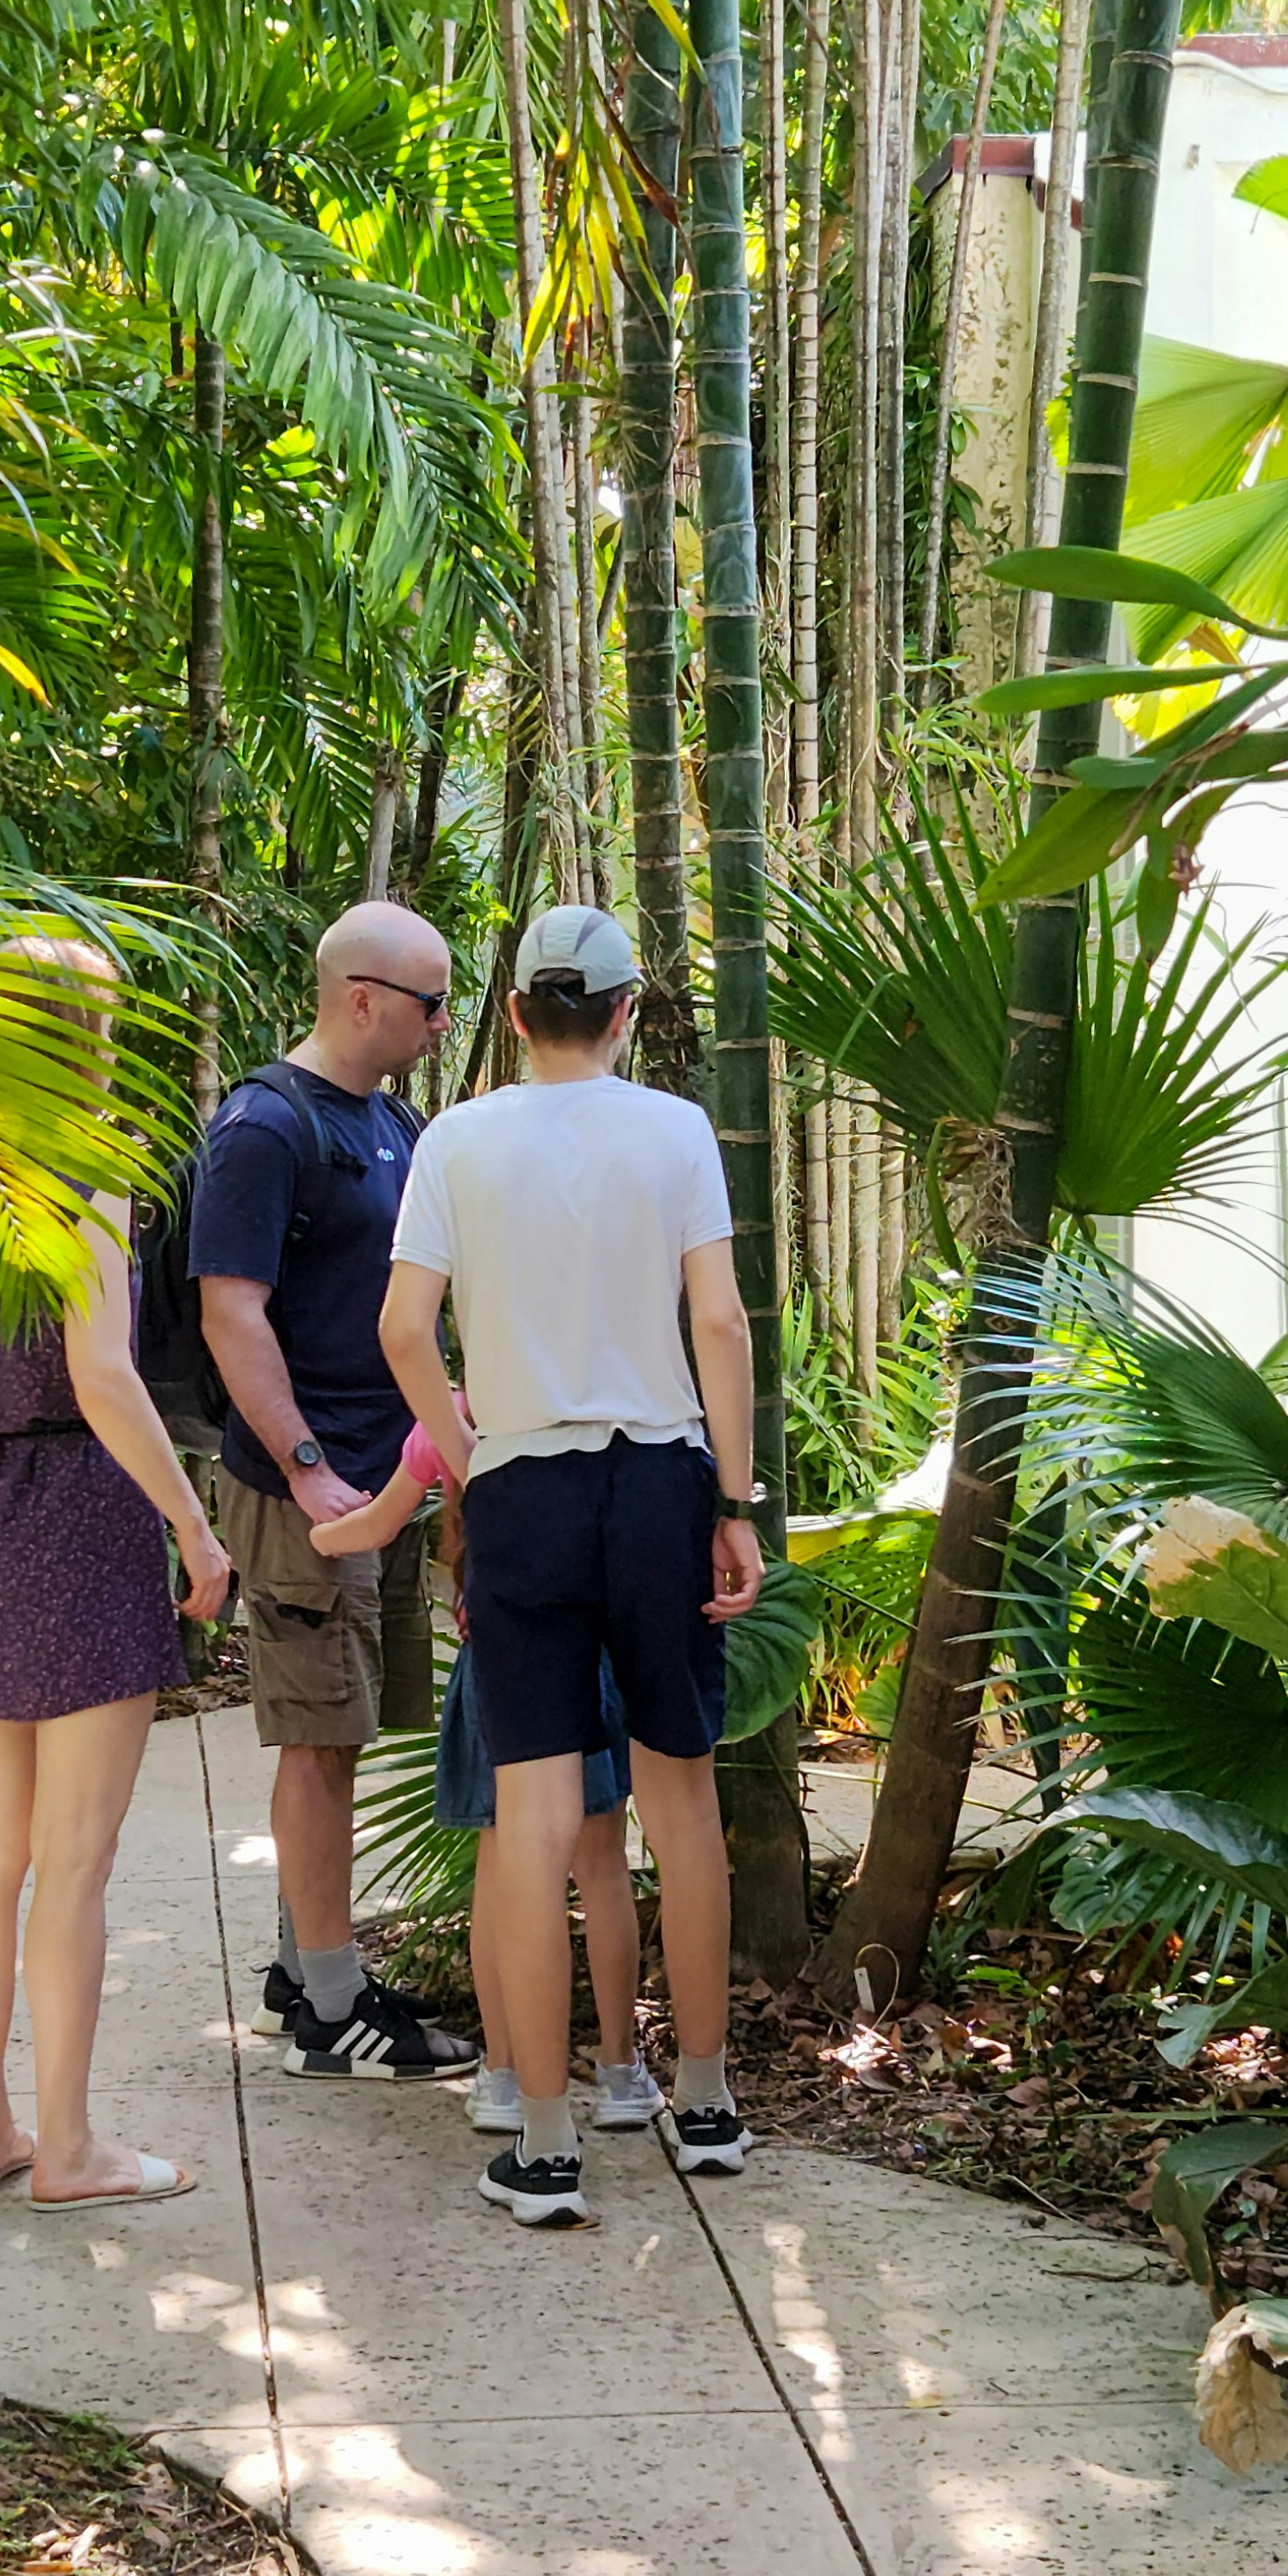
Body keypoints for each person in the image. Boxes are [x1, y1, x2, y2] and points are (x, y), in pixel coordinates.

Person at [376, 899, 764, 2234]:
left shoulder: (457, 1138)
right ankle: (702, 2104)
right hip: (660, 1477)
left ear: (514, 1012)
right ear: (624, 1010)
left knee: (533, 1826)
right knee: (682, 1797)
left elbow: (401, 1327)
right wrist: (736, 1495)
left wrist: (464, 1439)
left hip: (524, 1485)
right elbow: (716, 1316)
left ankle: (542, 2148)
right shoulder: (675, 1128)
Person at [0, 949, 235, 2210]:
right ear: (80, 1034)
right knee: (75, 1860)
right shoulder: (78, 1178)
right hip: (83, 1511)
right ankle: (72, 2149)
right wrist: (193, 1524)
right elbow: (104, 1373)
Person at [190, 896, 473, 2077]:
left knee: (342, 1734)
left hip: (389, 1476)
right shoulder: (263, 1126)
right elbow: (230, 1310)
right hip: (312, 1484)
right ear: (362, 997)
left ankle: (303, 1968)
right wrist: (308, 1468)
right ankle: (331, 2016)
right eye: (429, 1002)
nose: (442, 1021)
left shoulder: (393, 1119)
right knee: (316, 1742)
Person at [313, 1423, 660, 2136]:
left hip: (499, 1664)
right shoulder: (586, 1395)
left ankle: (504, 2074)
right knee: (602, 1866)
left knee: (501, 1874)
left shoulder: (456, 1411)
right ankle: (621, 2070)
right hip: (590, 1656)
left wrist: (314, 1537)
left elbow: (375, 1526)